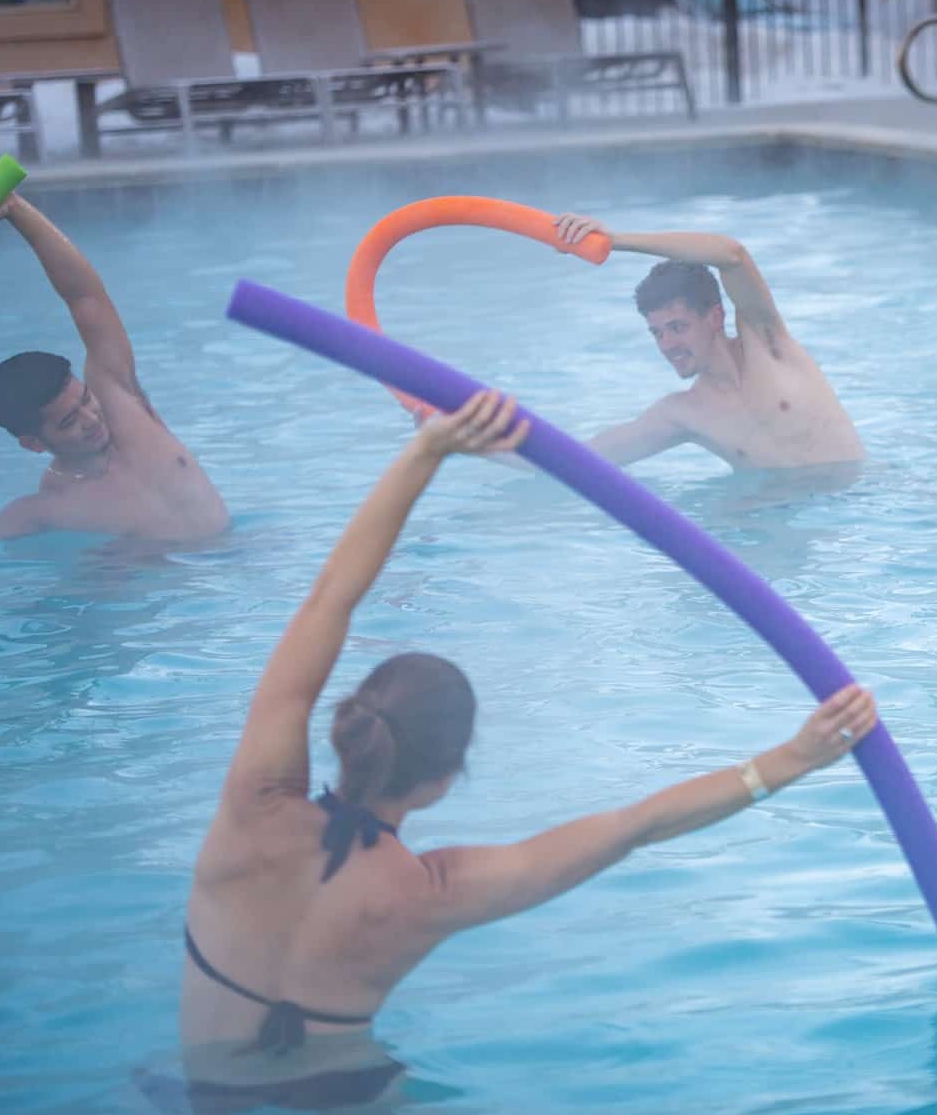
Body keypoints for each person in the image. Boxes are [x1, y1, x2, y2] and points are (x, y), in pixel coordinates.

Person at [179, 390, 876, 1101]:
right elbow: (634, 825)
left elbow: (329, 599)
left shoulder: (252, 803)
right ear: (445, 780)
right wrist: (794, 758)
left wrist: (424, 453)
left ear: (348, 724)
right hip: (344, 1094)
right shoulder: (431, 895)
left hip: (199, 1092)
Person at [0, 190, 228, 544]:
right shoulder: (48, 508)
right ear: (34, 443)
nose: (92, 419)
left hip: (245, 558)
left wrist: (16, 210)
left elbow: (85, 297)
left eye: (85, 400)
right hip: (171, 593)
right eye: (68, 421)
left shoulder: (123, 404)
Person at [551, 215, 865, 471]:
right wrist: (505, 438)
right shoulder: (684, 413)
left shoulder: (767, 343)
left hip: (856, 509)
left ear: (714, 317)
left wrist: (616, 240)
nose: (667, 345)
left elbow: (732, 255)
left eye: (677, 327)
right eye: (657, 333)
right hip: (777, 522)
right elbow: (576, 459)